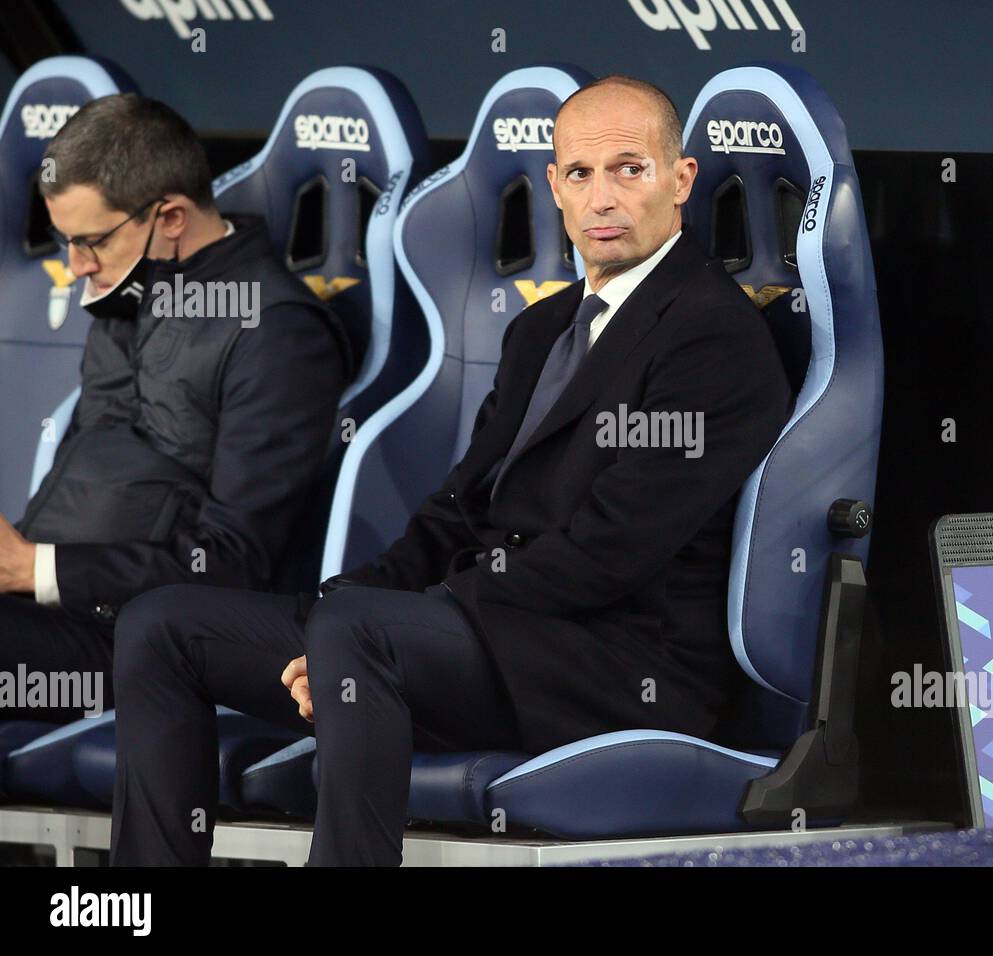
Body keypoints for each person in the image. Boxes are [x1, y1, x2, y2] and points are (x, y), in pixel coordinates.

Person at [109, 75, 792, 866]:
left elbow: (611, 552)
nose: (603, 197)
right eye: (580, 174)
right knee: (162, 626)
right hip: (482, 638)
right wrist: (342, 604)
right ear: (555, 191)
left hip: (613, 666)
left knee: (356, 634)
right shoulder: (541, 331)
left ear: (680, 181)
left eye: (629, 169)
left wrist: (376, 626)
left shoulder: (713, 336)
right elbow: (458, 513)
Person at [0, 94, 352, 724]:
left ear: (169, 217)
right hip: (49, 614)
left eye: (91, 241)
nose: (75, 267)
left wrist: (37, 568)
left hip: (142, 643)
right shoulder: (126, 290)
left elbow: (235, 562)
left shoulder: (277, 331)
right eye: (65, 242)